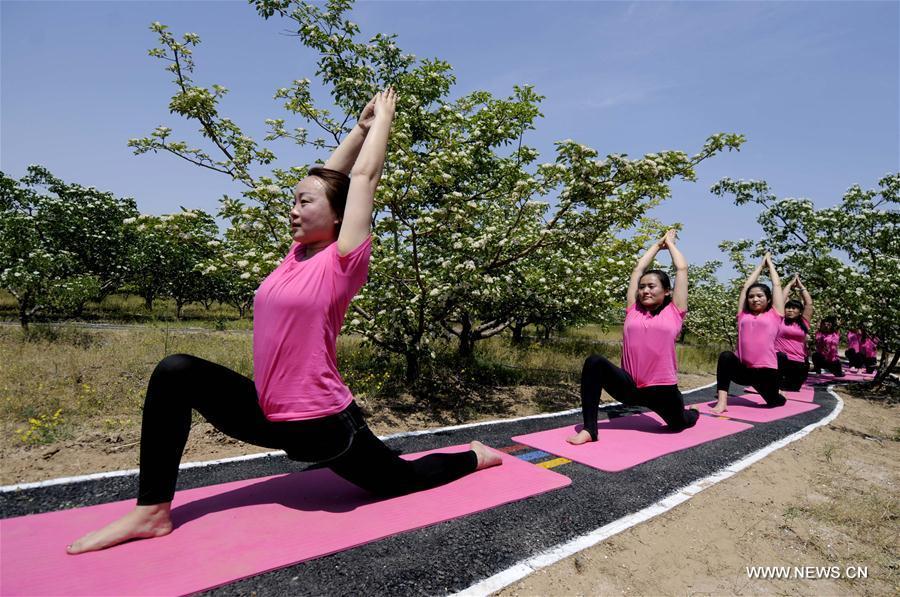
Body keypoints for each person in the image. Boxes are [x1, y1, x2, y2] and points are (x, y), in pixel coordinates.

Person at [67, 89, 501, 555]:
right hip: (268, 414)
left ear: (337, 217)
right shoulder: (295, 256)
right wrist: (357, 128)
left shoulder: (342, 261)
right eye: (292, 201)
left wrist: (383, 123)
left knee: (401, 478)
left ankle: (476, 455)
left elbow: (361, 178)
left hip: (323, 425)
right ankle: (152, 511)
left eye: (304, 203)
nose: (293, 210)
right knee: (176, 371)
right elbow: (330, 179)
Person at [568, 230, 699, 445]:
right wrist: (657, 246)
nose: (645, 290)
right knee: (594, 362)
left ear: (667, 291)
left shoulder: (675, 312)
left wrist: (671, 244)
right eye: (642, 287)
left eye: (651, 286)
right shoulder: (633, 310)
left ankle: (692, 413)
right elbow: (638, 269)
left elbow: (681, 269)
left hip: (662, 390)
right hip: (629, 387)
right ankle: (590, 430)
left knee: (680, 423)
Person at [711, 253, 787, 414]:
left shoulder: (775, 314)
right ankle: (722, 402)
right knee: (726, 356)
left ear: (768, 299)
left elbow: (777, 285)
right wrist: (760, 266)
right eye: (751, 297)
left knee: (775, 402)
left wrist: (770, 264)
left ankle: (778, 394)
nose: (755, 299)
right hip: (744, 370)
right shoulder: (743, 315)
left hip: (767, 372)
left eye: (759, 296)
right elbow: (746, 287)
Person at [774, 275, 812, 390]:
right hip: (780, 361)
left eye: (794, 308)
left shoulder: (804, 322)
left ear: (800, 311)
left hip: (798, 362)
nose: (790, 310)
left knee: (793, 388)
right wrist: (789, 285)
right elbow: (780, 300)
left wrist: (800, 286)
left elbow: (808, 304)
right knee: (777, 387)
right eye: (788, 308)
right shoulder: (779, 319)